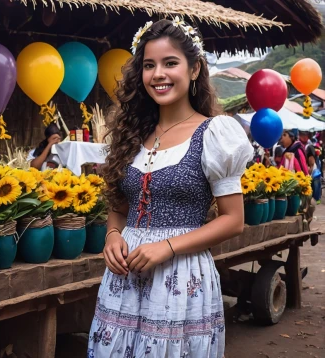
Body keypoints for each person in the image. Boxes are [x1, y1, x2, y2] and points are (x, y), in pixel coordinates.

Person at [88, 18, 253, 358]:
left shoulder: (214, 133)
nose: (158, 74)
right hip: (124, 279)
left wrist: (167, 247)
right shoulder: (132, 134)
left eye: (170, 63)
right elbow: (120, 207)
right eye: (149, 65)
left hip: (180, 278)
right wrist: (113, 237)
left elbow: (233, 220)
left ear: (194, 69)